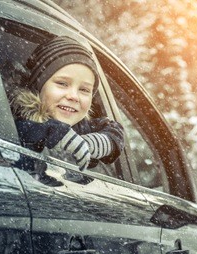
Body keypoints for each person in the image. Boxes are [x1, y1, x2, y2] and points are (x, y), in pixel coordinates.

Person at [8, 36, 124, 172]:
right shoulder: (14, 119)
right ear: (38, 85)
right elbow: (26, 131)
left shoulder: (82, 126)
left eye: (84, 90)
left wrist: (93, 143)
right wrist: (56, 135)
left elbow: (115, 131)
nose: (74, 96)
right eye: (62, 84)